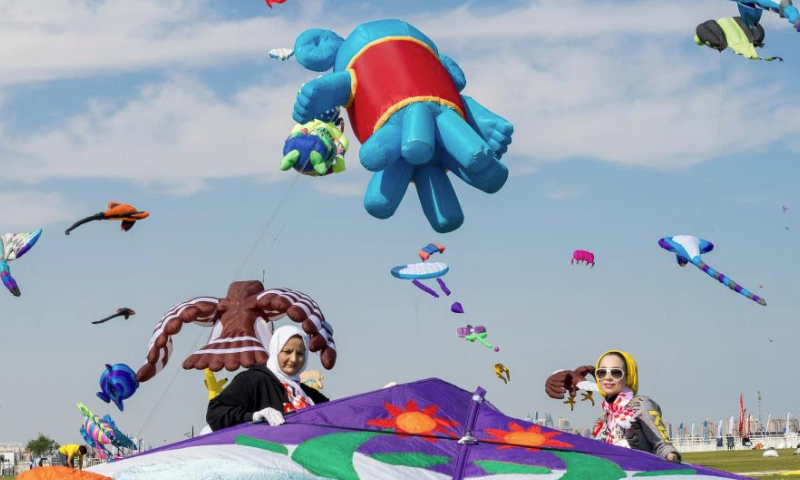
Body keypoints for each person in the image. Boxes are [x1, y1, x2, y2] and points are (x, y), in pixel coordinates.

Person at [544, 350, 681, 462]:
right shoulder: (601, 422)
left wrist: (671, 457)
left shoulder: (641, 404)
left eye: (616, 372)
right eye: (602, 372)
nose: (608, 377)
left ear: (628, 376)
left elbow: (661, 444)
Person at [206, 325, 328, 431]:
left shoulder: (312, 396)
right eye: (287, 351)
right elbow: (215, 413)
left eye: (300, 353)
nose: (294, 359)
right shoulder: (254, 380)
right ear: (276, 350)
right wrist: (253, 417)